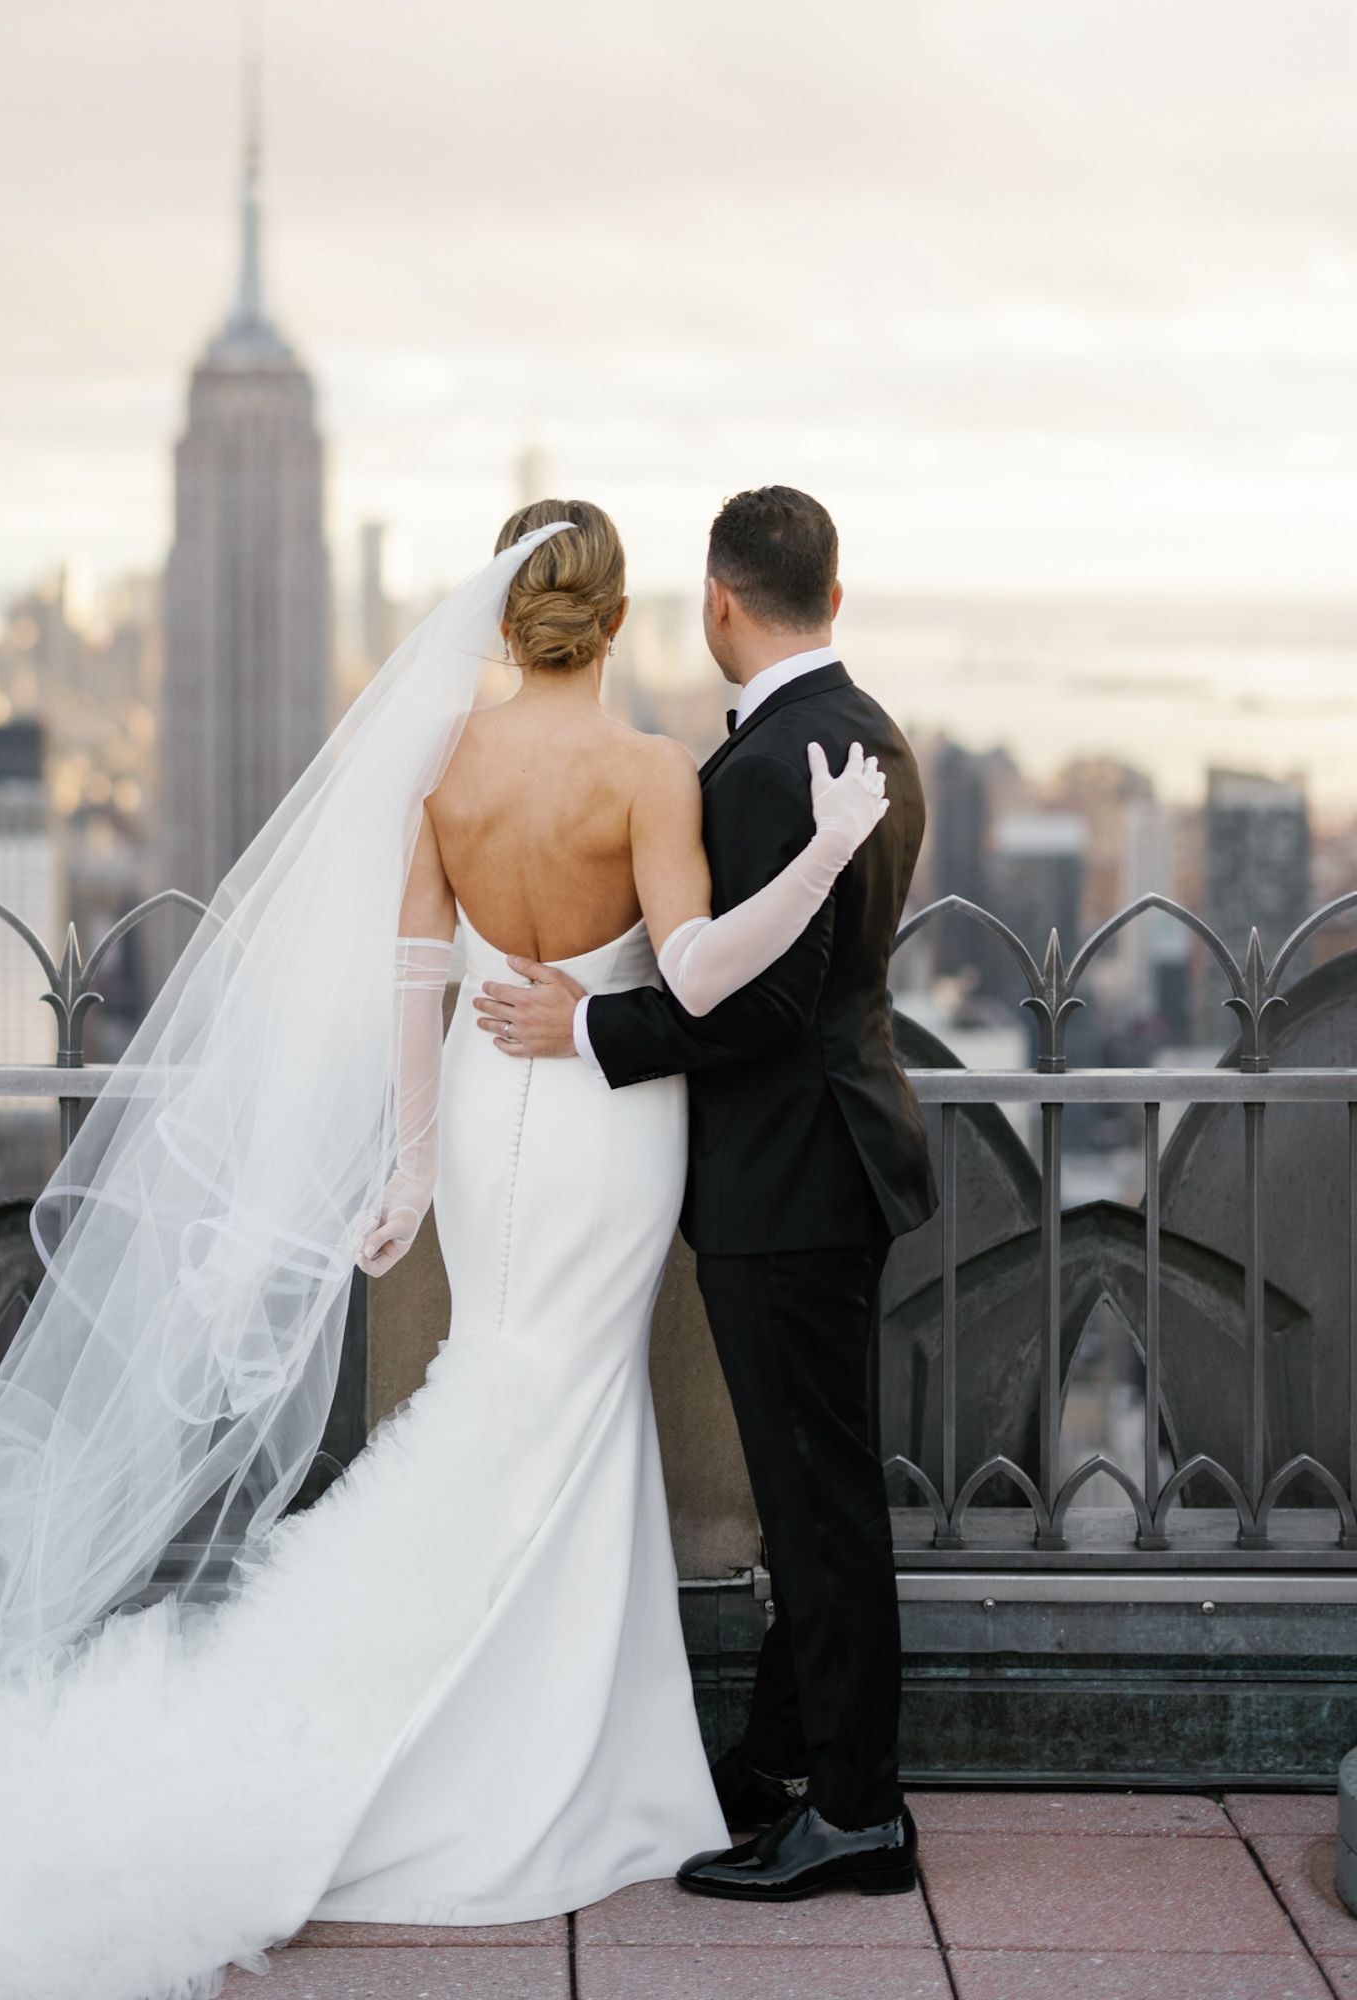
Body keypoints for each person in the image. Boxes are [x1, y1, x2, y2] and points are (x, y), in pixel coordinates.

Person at [0, 501, 892, 2000]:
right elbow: (692, 972)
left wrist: (415, 1166)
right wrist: (821, 858)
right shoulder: (646, 775)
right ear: (625, 619)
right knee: (563, 1405)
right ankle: (549, 1761)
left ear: (500, 621)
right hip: (604, 1132)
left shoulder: (443, 767)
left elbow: (418, 969)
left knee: (510, 1386)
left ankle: (542, 1737)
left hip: (492, 1108)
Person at [474, 485, 939, 1902]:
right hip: (839, 1157)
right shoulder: (880, 740)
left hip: (785, 1180)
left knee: (818, 1507)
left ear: (720, 603)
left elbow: (749, 1002)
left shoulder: (763, 768)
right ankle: (785, 1752)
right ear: (835, 599)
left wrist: (591, 1031)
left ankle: (855, 1810)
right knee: (819, 1488)